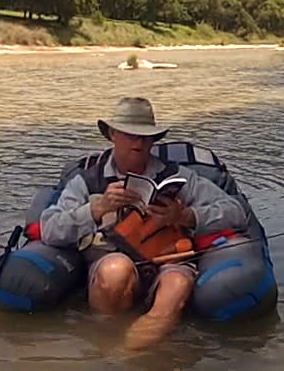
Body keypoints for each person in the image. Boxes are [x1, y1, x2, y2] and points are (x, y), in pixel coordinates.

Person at [38, 96, 247, 351]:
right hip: (110, 263)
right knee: (115, 270)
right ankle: (107, 345)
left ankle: (124, 357)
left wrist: (185, 216)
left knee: (178, 284)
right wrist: (97, 208)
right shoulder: (87, 180)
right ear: (113, 134)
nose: (139, 142)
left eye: (146, 137)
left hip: (168, 261)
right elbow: (50, 229)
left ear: (154, 140)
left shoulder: (178, 176)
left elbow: (236, 212)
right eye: (130, 134)